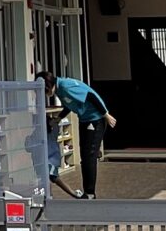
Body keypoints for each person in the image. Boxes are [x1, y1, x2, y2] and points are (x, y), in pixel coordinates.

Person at [40, 65, 116, 199]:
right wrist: (58, 119)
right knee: (85, 156)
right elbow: (70, 105)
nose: (45, 95)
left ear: (47, 86)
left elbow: (91, 96)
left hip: (95, 119)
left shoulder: (65, 86)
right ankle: (88, 191)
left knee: (88, 157)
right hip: (85, 119)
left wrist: (106, 114)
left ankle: (90, 193)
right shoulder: (60, 89)